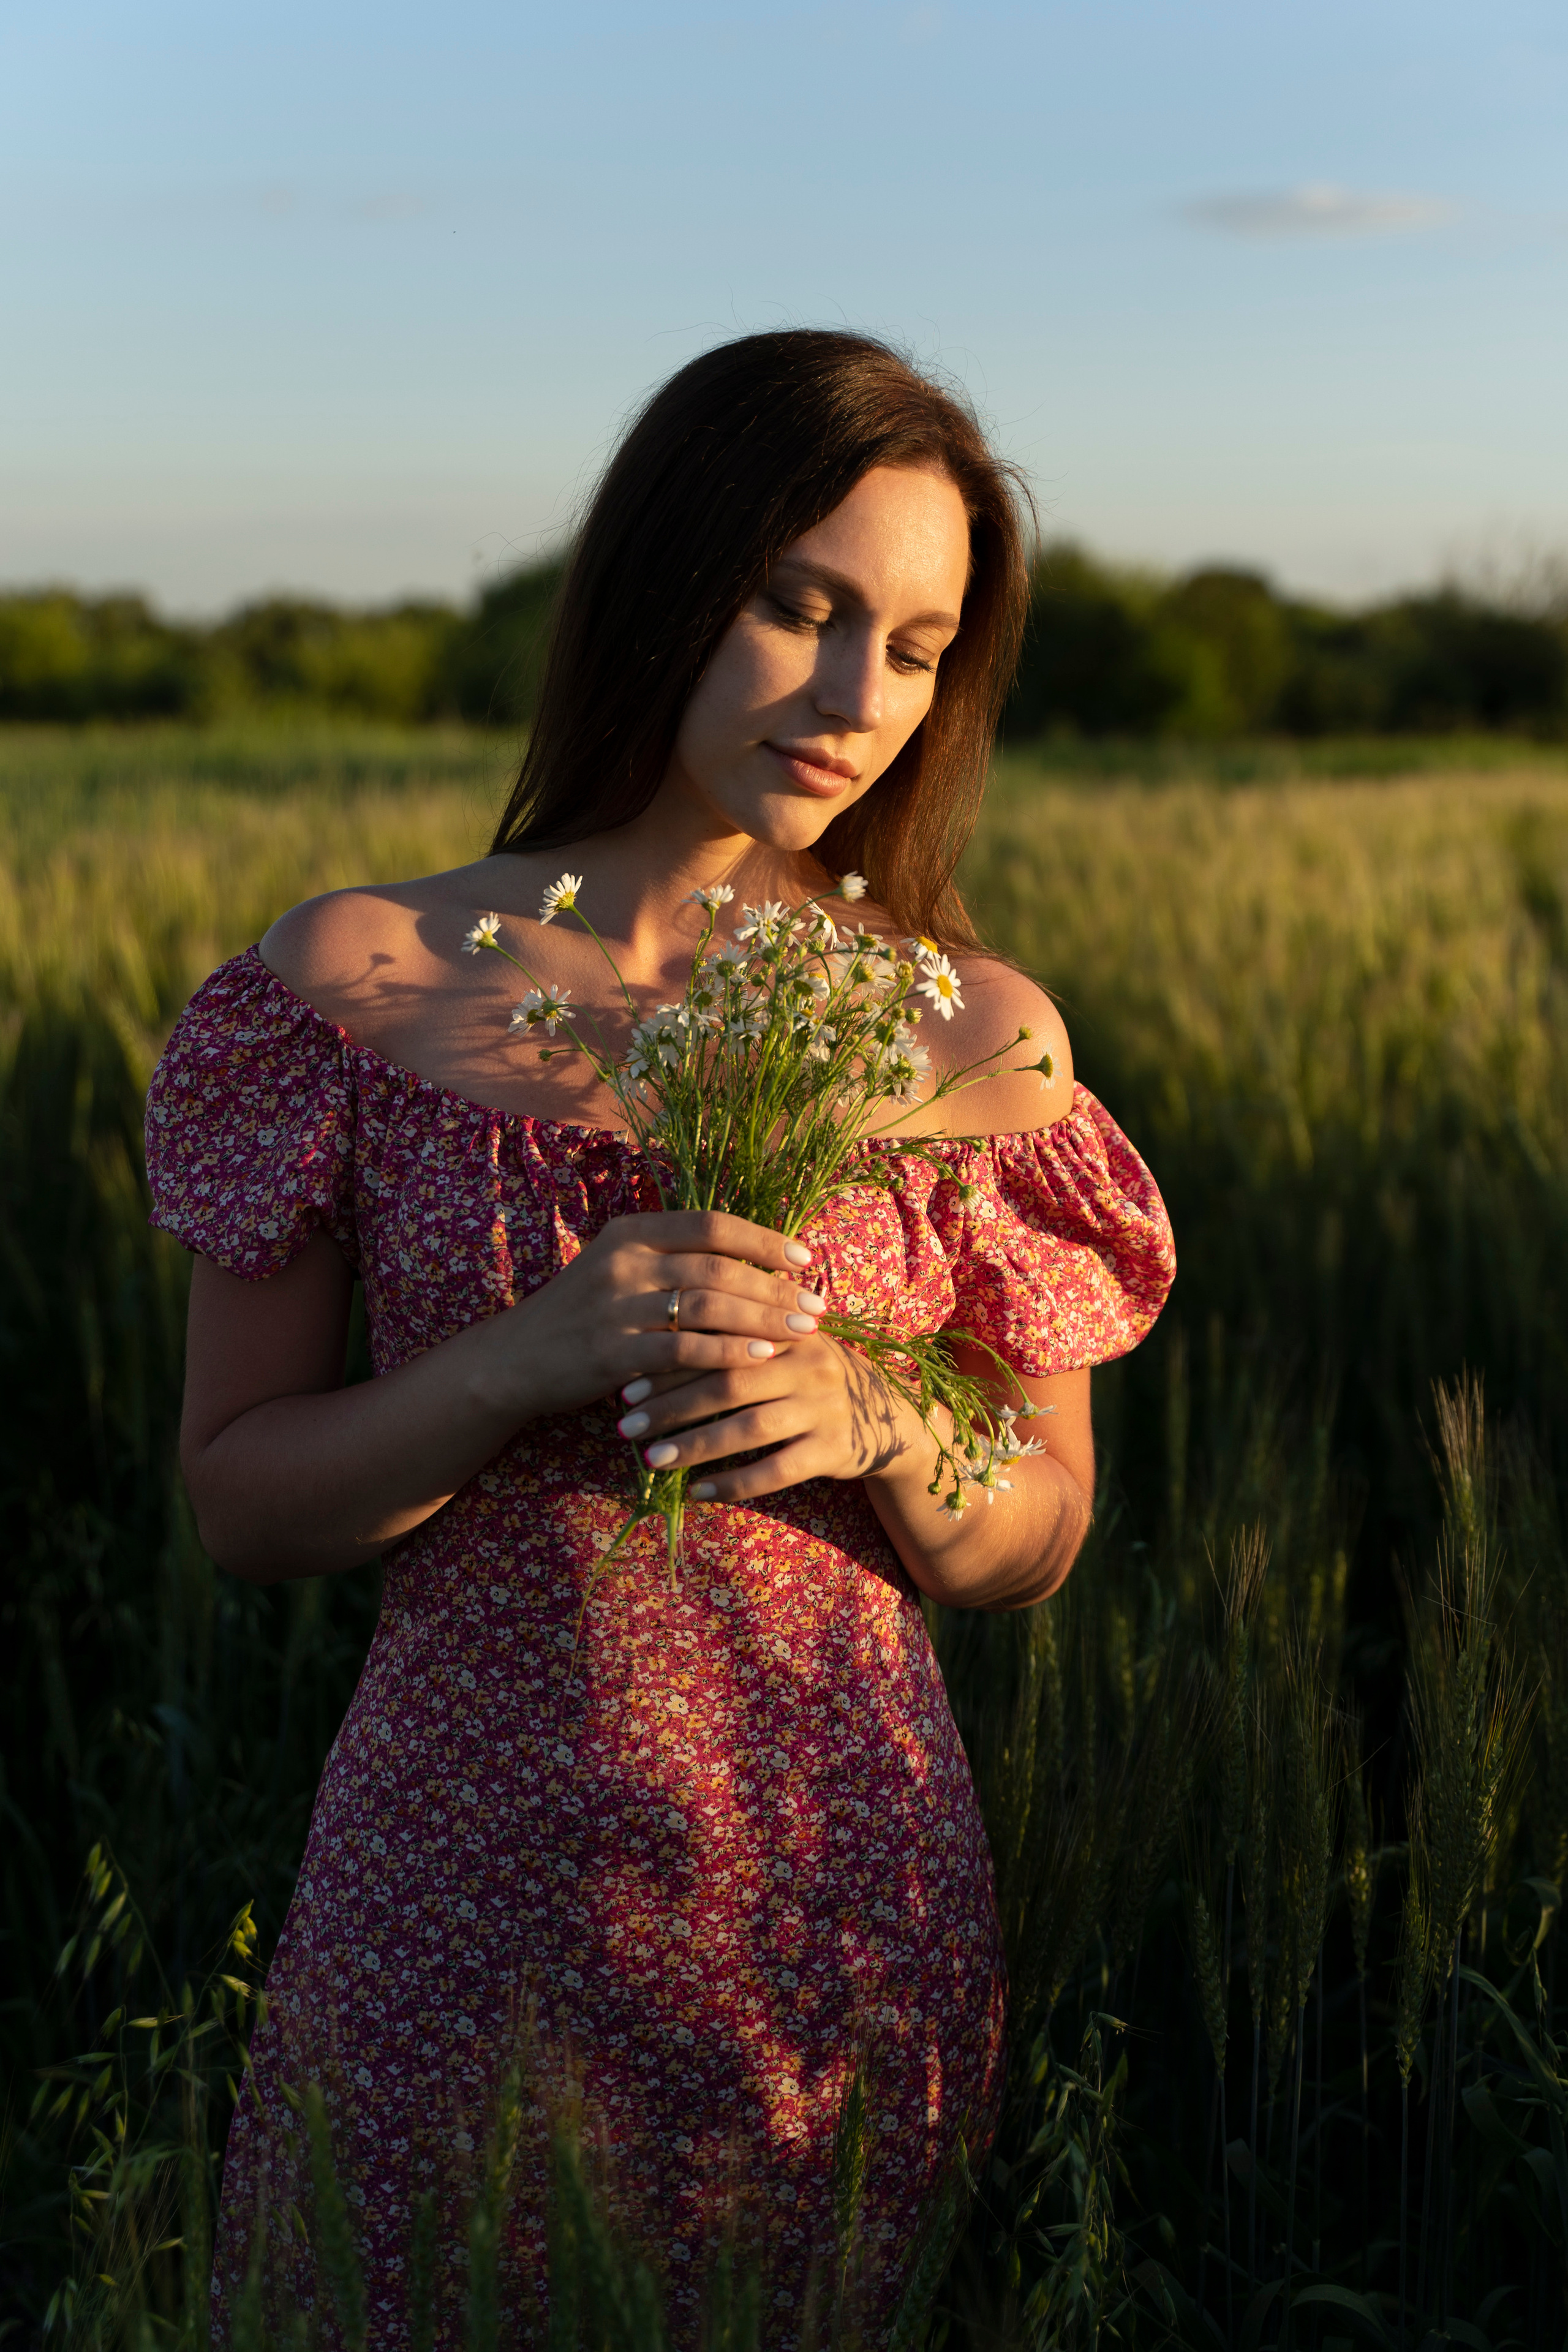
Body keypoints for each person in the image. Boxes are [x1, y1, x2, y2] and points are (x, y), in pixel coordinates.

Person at [145, 330, 1175, 2346]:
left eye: (915, 643)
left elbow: (1038, 1535)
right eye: (801, 604)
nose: (852, 696)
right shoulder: (354, 982)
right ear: (663, 574)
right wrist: (522, 1361)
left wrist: (877, 1409)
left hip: (831, 1919)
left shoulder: (979, 1035)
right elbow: (238, 1504)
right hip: (456, 1900)